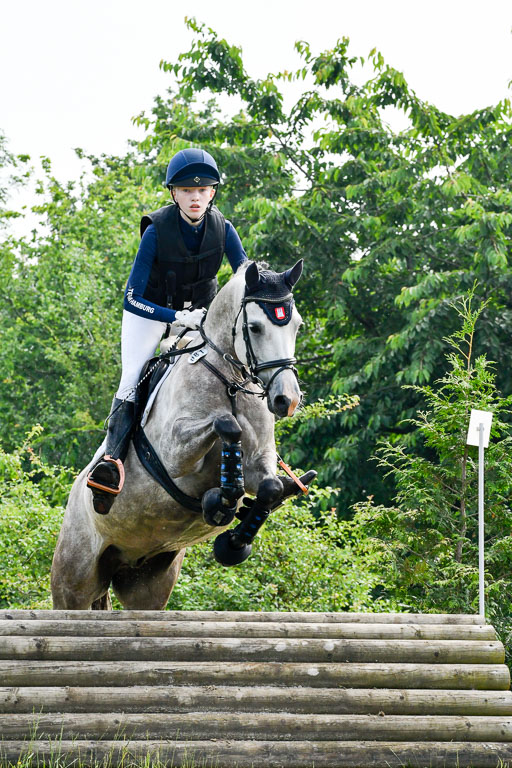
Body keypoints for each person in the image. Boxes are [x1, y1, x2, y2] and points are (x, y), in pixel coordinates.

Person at [86, 147, 248, 514]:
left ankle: (264, 457)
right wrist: (173, 316)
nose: (195, 196)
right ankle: (110, 462)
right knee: (131, 378)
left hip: (201, 318)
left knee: (238, 370)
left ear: (212, 193)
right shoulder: (157, 231)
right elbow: (131, 297)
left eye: (203, 189)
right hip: (150, 314)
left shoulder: (225, 230)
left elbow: (244, 278)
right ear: (174, 194)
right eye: (187, 191)